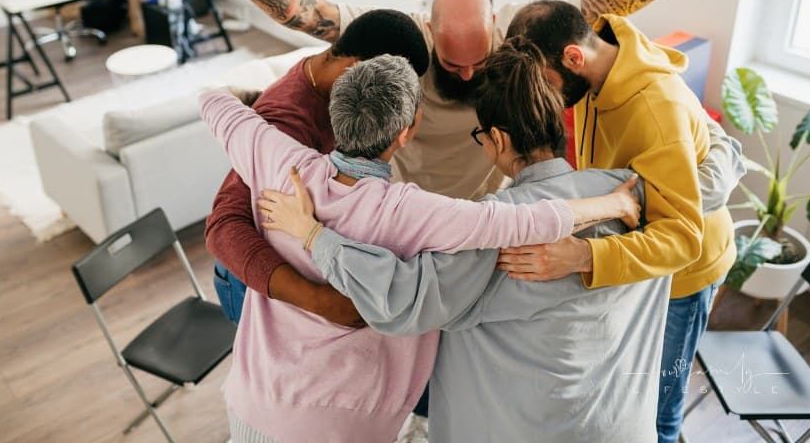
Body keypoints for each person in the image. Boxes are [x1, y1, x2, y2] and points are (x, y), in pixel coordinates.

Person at [208, 0, 730, 331]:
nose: (466, 75)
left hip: (479, 222)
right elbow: (324, 17)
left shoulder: (515, 36)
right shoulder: (404, 43)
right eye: (453, 64)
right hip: (405, 221)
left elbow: (592, 6)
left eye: (479, 62)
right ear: (429, 36)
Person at [254, 42, 745, 443]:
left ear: (497, 141)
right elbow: (722, 164)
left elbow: (396, 301)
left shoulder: (489, 233)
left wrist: (313, 235)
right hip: (621, 430)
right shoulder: (642, 194)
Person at [199, 55, 641, 443]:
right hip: (339, 425)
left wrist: (260, 106)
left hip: (251, 400)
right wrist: (613, 202)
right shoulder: (409, 212)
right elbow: (522, 221)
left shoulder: (277, 160)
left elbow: (212, 99)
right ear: (407, 131)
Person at [500, 0, 735, 443]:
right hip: (639, 257)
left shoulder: (652, 110)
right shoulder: (605, 62)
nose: (545, 94)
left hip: (684, 276)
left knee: (659, 412)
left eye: (545, 82)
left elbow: (683, 238)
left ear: (573, 57)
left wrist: (585, 255)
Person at [207, 9, 429, 325]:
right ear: (356, 68)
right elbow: (224, 224)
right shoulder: (286, 124)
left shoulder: (327, 81)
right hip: (251, 281)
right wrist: (318, 300)